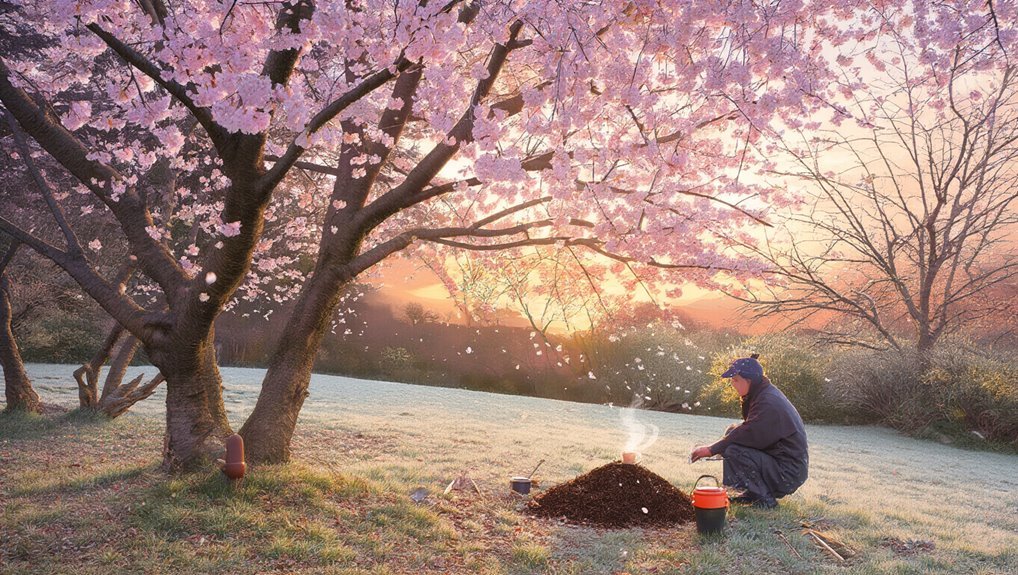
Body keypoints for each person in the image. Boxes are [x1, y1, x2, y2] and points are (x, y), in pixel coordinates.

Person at [689, 354, 809, 508]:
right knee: (732, 432)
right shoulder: (762, 394)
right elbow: (744, 432)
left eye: (736, 379)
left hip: (788, 473)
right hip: (781, 465)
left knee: (734, 449)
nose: (732, 383)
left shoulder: (768, 402)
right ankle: (744, 493)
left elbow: (747, 433)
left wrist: (711, 449)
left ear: (749, 380)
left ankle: (763, 500)